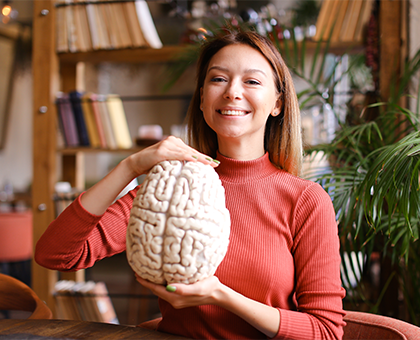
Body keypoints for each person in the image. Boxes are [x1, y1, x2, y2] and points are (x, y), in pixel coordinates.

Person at [35, 29, 346, 339]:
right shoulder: (170, 186)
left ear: (277, 103)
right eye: (218, 79)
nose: (232, 92)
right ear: (201, 99)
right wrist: (130, 166)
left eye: (251, 81)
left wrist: (219, 295)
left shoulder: (305, 200)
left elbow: (326, 332)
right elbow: (56, 254)